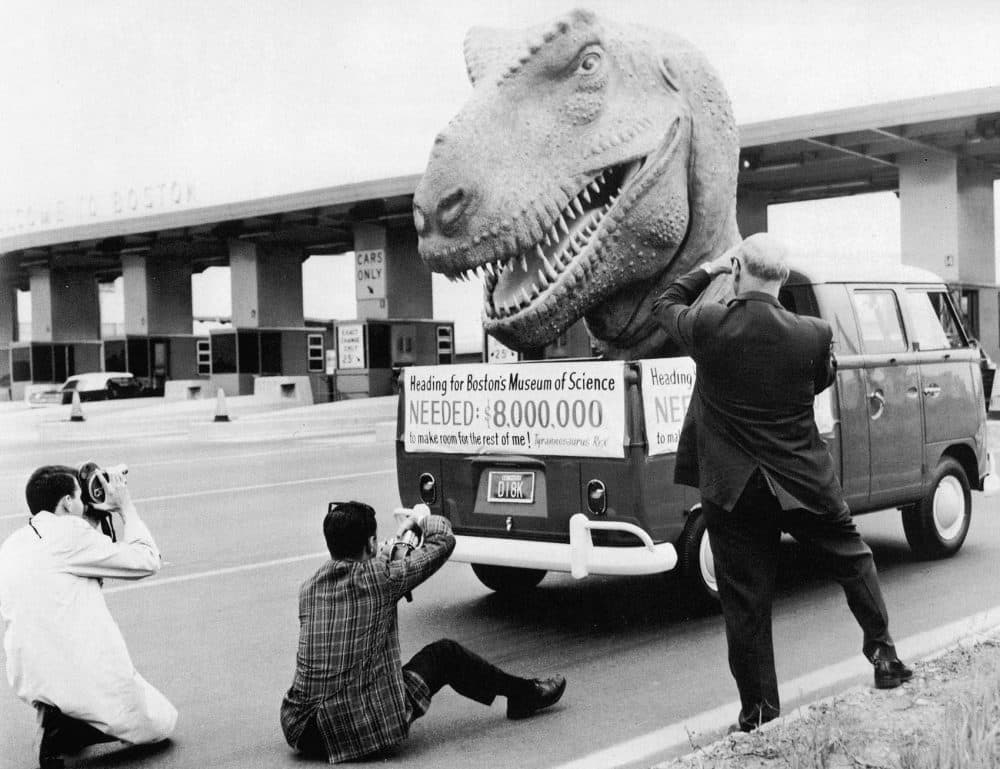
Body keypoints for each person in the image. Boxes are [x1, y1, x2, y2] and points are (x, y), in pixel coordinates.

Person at [652, 233, 912, 732]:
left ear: (736, 273)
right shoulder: (812, 333)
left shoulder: (709, 325)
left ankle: (760, 713)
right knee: (853, 558)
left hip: (734, 489)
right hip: (801, 480)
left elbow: (665, 304)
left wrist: (707, 268)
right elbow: (818, 382)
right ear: (784, 280)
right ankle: (883, 656)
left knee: (746, 601)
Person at [280, 501, 566, 763]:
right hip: (355, 730)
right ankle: (523, 694)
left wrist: (391, 548)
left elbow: (370, 564)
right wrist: (420, 520)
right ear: (369, 542)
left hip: (301, 728)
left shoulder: (309, 587)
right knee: (445, 654)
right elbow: (443, 540)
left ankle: (522, 694)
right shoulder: (382, 578)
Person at [0, 465, 177, 769]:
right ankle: (68, 729)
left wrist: (93, 519)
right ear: (68, 503)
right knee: (162, 722)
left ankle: (58, 716)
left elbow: (67, 560)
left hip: (30, 675)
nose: (86, 501)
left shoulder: (14, 543)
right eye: (81, 496)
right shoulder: (71, 534)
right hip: (75, 668)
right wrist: (126, 508)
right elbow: (147, 560)